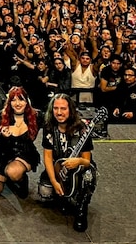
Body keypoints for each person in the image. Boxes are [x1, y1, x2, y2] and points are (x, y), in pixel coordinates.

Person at [38, 93, 98, 232]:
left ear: (70, 109)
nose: (59, 112)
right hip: (59, 167)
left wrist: (78, 161)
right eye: (56, 108)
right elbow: (47, 156)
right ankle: (63, 197)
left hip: (79, 167)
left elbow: (87, 161)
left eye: (63, 108)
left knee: (88, 176)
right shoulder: (49, 126)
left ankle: (82, 209)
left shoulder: (82, 128)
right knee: (45, 192)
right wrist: (54, 181)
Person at [0, 86, 40, 199]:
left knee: (14, 172)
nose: (17, 103)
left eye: (21, 99)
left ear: (27, 101)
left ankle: (20, 179)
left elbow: (55, 118)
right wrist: (2, 135)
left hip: (23, 154)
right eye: (13, 100)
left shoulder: (36, 116)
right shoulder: (2, 116)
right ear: (9, 102)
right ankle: (5, 177)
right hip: (2, 154)